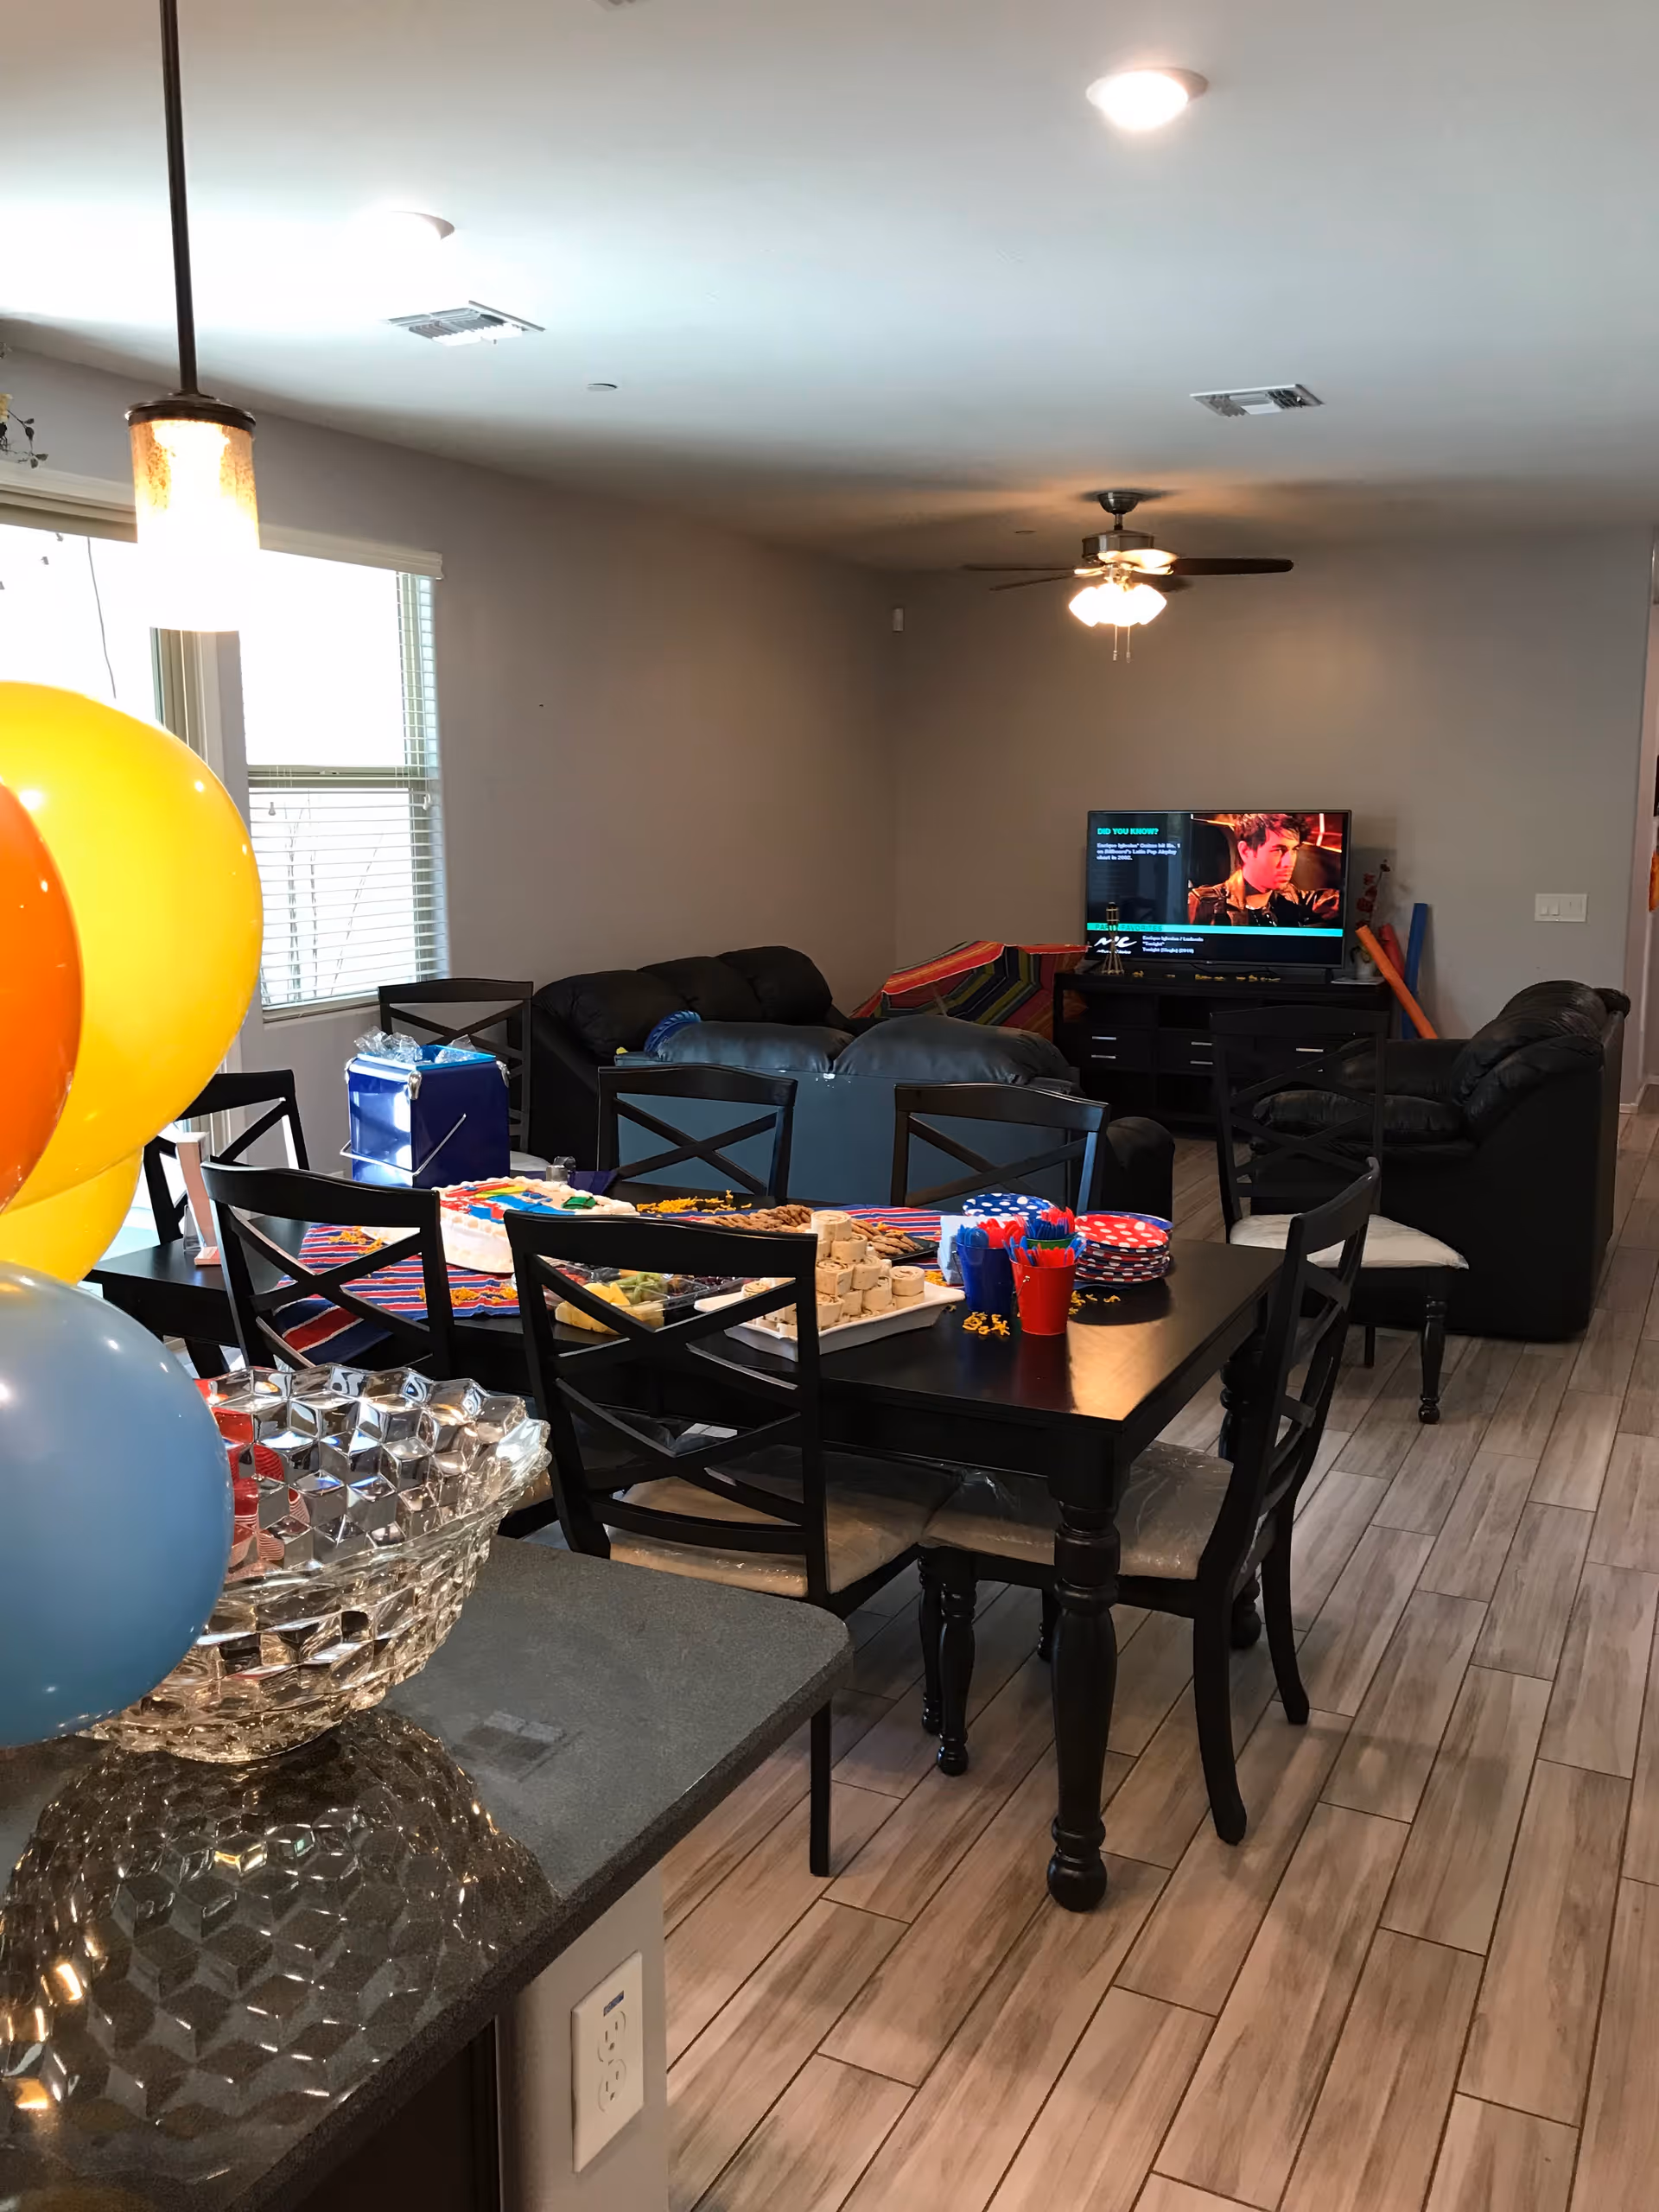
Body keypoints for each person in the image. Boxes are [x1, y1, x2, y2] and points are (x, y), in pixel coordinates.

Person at [1188, 813, 1342, 927]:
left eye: (1294, 850)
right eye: (1278, 850)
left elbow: (1332, 899)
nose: (1289, 862)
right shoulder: (1203, 903)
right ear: (1246, 851)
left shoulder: (1290, 897)